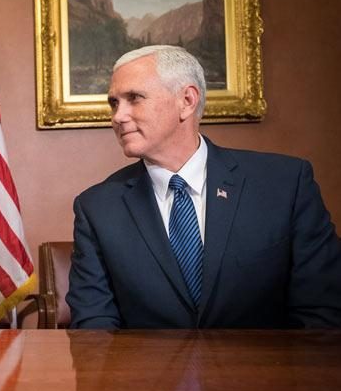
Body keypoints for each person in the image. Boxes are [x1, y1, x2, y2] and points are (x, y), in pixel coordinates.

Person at [67, 45, 341, 329]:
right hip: (146, 374)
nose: (118, 116)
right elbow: (94, 332)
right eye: (114, 103)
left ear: (186, 100)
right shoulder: (97, 208)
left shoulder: (285, 185)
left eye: (134, 98)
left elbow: (322, 315)